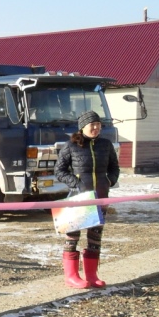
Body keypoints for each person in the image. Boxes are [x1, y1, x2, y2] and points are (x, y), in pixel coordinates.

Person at [54, 110, 120, 289]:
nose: (96, 128)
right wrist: (76, 183)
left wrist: (109, 180)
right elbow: (59, 171)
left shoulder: (106, 145)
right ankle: (71, 276)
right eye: (93, 125)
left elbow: (115, 167)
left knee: (95, 238)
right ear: (83, 127)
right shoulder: (71, 146)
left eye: (98, 124)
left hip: (100, 198)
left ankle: (91, 275)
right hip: (78, 200)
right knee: (72, 237)